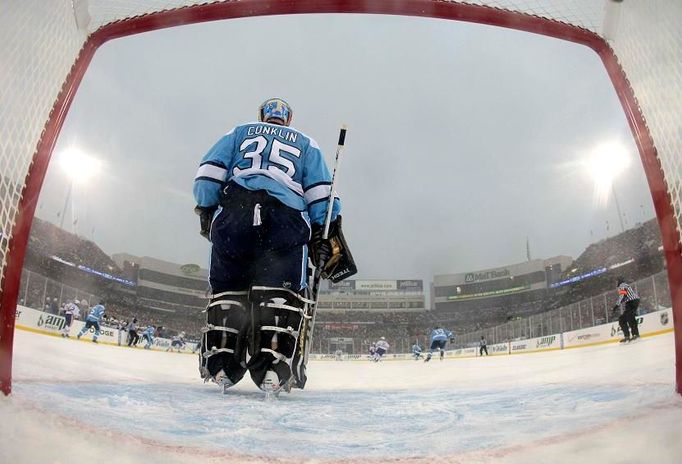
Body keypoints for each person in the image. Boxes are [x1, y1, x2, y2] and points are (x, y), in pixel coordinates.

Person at [193, 97, 349, 395]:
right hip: (284, 219)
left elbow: (207, 174)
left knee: (229, 292)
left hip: (234, 217)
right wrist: (323, 230)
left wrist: (206, 208)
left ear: (262, 116)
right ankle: (273, 369)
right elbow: (322, 195)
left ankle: (223, 364)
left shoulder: (239, 131)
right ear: (288, 119)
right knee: (280, 296)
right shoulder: (306, 143)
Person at [612, 276, 641, 343]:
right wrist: (617, 304)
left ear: (619, 281)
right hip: (631, 302)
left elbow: (622, 295)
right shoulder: (622, 286)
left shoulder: (622, 285)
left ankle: (636, 335)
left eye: (616, 281)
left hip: (632, 301)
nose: (615, 283)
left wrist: (616, 305)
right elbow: (624, 296)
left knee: (630, 317)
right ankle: (627, 336)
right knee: (622, 319)